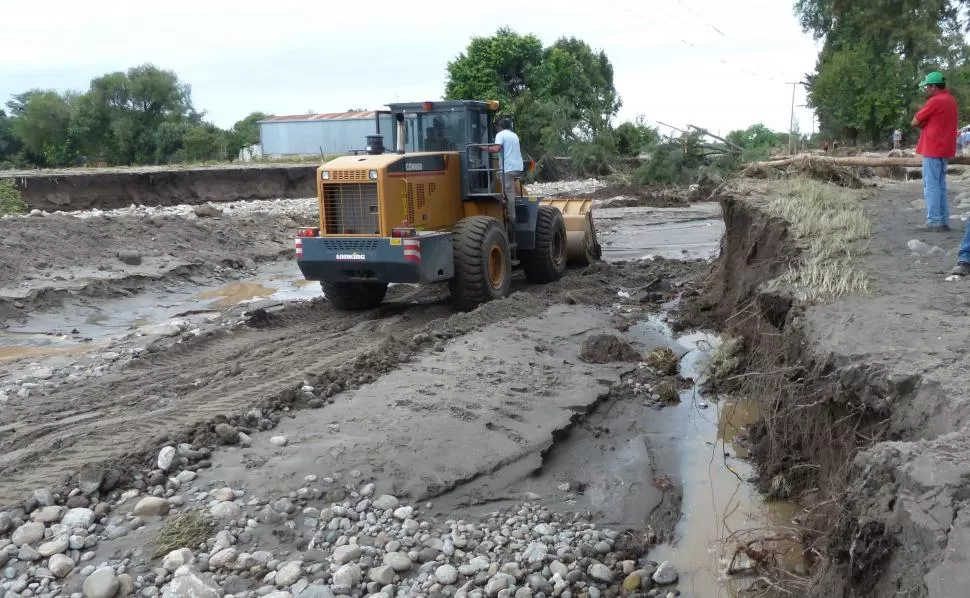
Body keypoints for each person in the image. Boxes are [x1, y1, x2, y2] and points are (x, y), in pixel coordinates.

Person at [912, 70, 958, 233]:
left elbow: (915, 121)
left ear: (933, 87)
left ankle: (934, 220)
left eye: (927, 87)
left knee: (931, 185)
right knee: (940, 185)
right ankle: (943, 219)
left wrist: (924, 123)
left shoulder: (934, 101)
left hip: (932, 147)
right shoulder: (951, 100)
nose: (925, 90)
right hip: (946, 148)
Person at [487, 118, 524, 220]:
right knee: (499, 175)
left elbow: (496, 149)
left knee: (509, 192)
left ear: (500, 126)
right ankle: (504, 195)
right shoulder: (514, 135)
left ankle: (511, 217)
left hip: (509, 168)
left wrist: (482, 148)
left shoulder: (501, 134)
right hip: (518, 167)